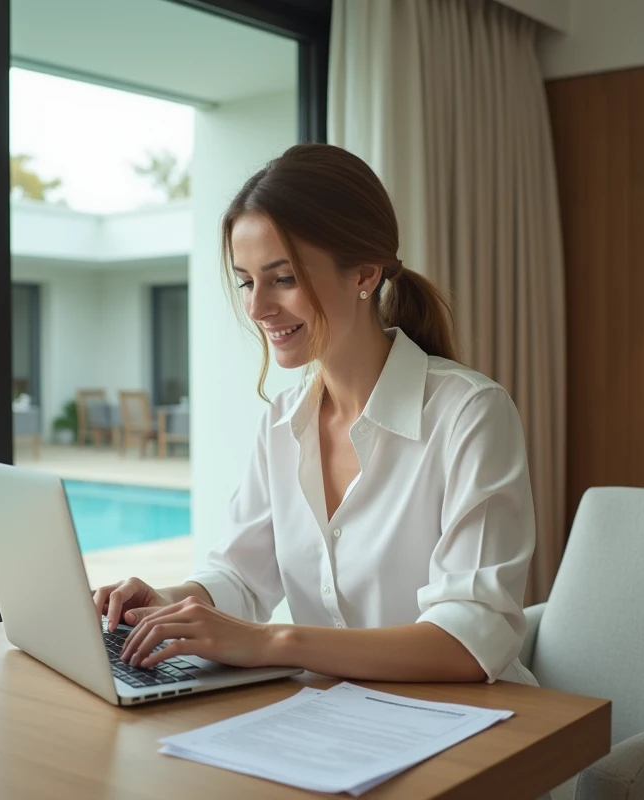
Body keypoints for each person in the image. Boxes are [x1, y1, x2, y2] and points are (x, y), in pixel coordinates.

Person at [98, 143, 538, 686]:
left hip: (473, 726)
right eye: (246, 280)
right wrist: (169, 603)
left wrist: (274, 642)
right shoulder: (284, 423)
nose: (257, 307)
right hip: (333, 723)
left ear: (364, 274)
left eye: (283, 279)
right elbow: (241, 576)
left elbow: (471, 640)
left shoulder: (470, 415)